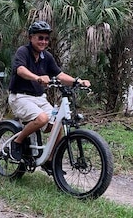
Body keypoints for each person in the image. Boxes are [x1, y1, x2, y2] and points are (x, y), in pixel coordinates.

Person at [8, 20, 91, 166]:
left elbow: (60, 75)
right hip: (20, 97)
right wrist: (37, 77)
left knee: (57, 123)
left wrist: (78, 81)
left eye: (46, 39)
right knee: (42, 118)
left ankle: (51, 161)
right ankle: (18, 141)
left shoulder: (47, 57)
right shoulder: (23, 51)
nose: (44, 41)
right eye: (40, 37)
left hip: (39, 98)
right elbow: (20, 69)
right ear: (31, 37)